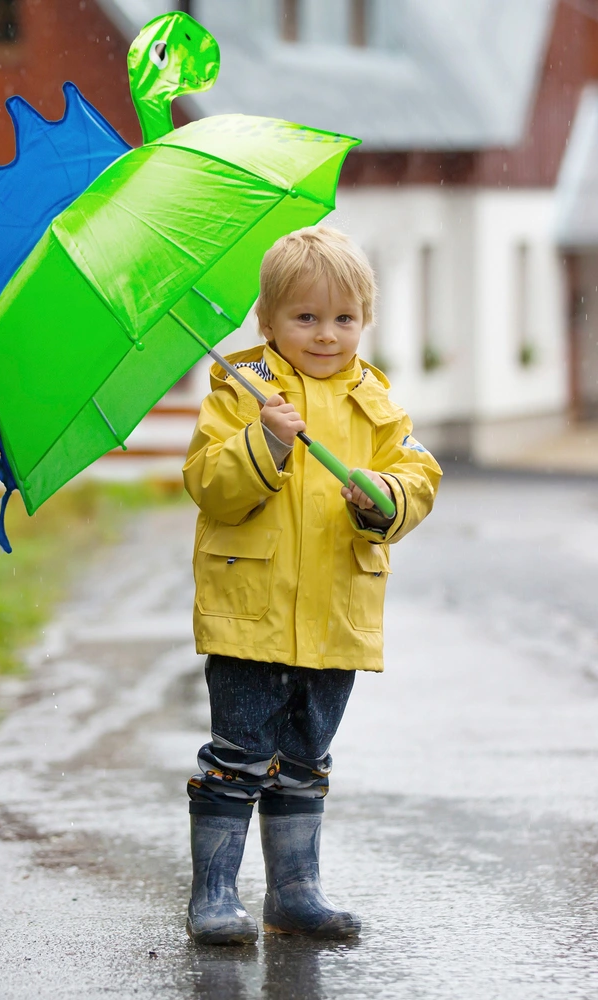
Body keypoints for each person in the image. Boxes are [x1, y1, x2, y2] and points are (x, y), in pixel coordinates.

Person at [182, 226, 442, 945]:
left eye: (343, 318)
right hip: (251, 613)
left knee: (304, 757)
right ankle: (214, 894)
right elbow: (210, 487)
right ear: (266, 321)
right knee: (238, 755)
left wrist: (384, 498)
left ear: (366, 321)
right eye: (304, 318)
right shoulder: (241, 393)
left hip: (335, 613)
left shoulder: (377, 403)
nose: (326, 335)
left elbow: (420, 478)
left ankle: (295, 891)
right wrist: (263, 441)